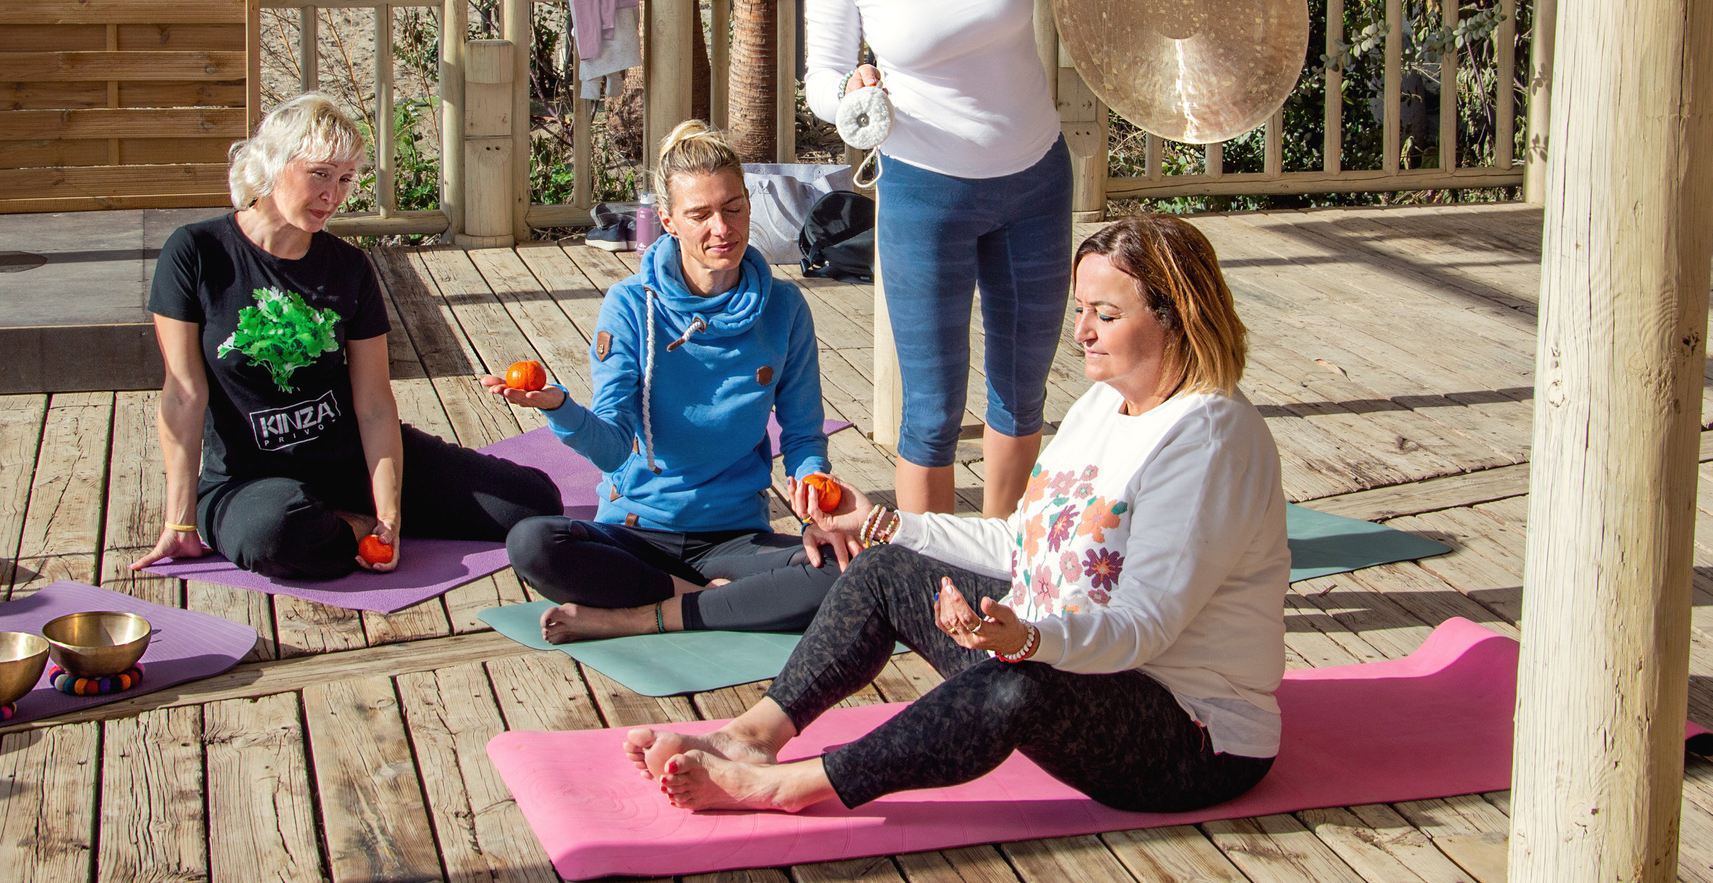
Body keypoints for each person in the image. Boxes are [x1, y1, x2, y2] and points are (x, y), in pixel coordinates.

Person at [623, 211, 1286, 817]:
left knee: (1017, 687)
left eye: (1106, 315)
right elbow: (1018, 542)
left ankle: (794, 787)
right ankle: (751, 738)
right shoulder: (1102, 403)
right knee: (884, 569)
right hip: (1069, 663)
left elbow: (1145, 627)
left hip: (1192, 736)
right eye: (1080, 308)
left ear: (1177, 317)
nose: (1080, 330)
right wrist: (880, 523)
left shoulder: (1209, 438)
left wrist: (1028, 640)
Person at [774, 0, 1174, 517]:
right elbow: (822, 82)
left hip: (1033, 181)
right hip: (929, 195)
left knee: (1023, 394)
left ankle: (1005, 561)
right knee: (930, 411)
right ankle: (932, 580)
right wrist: (854, 95)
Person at [137, 91, 562, 580]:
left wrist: (390, 517)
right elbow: (183, 393)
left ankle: (339, 525)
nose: (333, 196)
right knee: (275, 533)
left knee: (535, 502)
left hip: (349, 460)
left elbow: (375, 403)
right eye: (319, 174)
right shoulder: (196, 252)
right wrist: (179, 519)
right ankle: (331, 526)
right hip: (250, 480)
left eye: (344, 179)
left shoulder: (348, 266)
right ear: (273, 163)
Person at [491, 121, 846, 641]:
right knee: (531, 544)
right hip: (636, 535)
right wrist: (557, 405)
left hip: (735, 537)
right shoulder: (630, 306)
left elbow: (803, 436)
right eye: (699, 215)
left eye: (733, 207)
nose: (721, 228)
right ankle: (711, 604)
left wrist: (815, 493)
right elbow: (613, 450)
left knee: (846, 570)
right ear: (668, 221)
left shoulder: (785, 308)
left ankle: (635, 617)